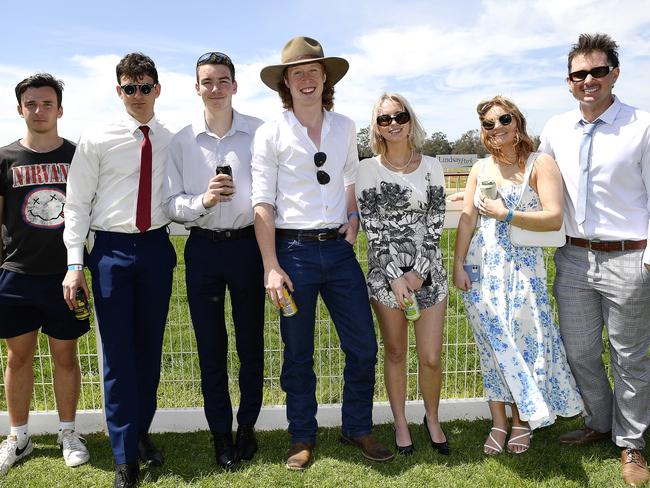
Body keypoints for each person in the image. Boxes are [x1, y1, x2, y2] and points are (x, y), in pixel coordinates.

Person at [251, 36, 393, 470]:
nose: (308, 79)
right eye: (299, 73)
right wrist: (271, 266)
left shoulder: (345, 127)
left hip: (338, 252)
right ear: (286, 83)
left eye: (314, 70)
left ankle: (357, 427)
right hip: (291, 254)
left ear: (325, 77)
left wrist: (352, 218)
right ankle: (301, 436)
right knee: (297, 352)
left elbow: (350, 181)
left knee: (364, 346)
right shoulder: (269, 132)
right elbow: (262, 204)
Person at [539, 33, 650, 487]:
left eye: (598, 71)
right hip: (573, 258)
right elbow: (534, 181)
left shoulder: (642, 125)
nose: (589, 80)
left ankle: (632, 444)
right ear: (569, 82)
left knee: (630, 357)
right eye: (579, 74)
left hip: (630, 257)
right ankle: (600, 422)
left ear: (614, 74)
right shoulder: (555, 129)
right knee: (580, 350)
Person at [62, 53, 176, 488]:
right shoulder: (96, 138)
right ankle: (124, 456)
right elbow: (75, 206)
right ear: (118, 91)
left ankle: (139, 432)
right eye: (130, 88)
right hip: (108, 252)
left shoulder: (170, 138)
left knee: (149, 350)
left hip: (156, 249)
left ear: (158, 89)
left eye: (146, 86)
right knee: (118, 356)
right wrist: (75, 264)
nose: (138, 95)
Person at [453, 96, 584, 456]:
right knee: (491, 345)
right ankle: (499, 420)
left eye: (503, 120)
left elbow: (554, 217)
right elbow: (467, 218)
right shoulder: (480, 169)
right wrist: (458, 263)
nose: (496, 128)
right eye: (488, 124)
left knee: (525, 342)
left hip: (525, 267)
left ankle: (523, 420)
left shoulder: (541, 164)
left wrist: (506, 213)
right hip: (484, 267)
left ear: (518, 123)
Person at [163, 51, 264, 470]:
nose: (216, 88)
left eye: (223, 80)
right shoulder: (181, 140)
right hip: (202, 248)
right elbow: (171, 205)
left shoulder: (260, 132)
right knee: (211, 348)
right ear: (196, 87)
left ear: (235, 86)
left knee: (250, 345)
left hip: (247, 247)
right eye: (208, 81)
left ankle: (247, 428)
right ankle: (220, 434)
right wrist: (203, 201)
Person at [0, 73, 90, 476]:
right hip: (17, 274)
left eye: (47, 103)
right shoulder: (4, 159)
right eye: (31, 104)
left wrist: (81, 267)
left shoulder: (78, 156)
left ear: (60, 108)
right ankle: (18, 437)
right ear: (20, 109)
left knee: (65, 355)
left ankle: (68, 432)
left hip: (65, 276)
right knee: (18, 357)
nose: (39, 110)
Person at [355, 93, 449, 456]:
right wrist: (396, 277)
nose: (393, 123)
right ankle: (400, 422)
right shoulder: (367, 169)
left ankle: (432, 418)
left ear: (411, 120)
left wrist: (419, 274)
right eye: (384, 119)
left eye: (400, 115)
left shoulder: (432, 166)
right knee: (394, 353)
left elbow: (436, 223)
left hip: (429, 275)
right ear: (376, 127)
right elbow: (373, 229)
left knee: (430, 357)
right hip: (385, 276)